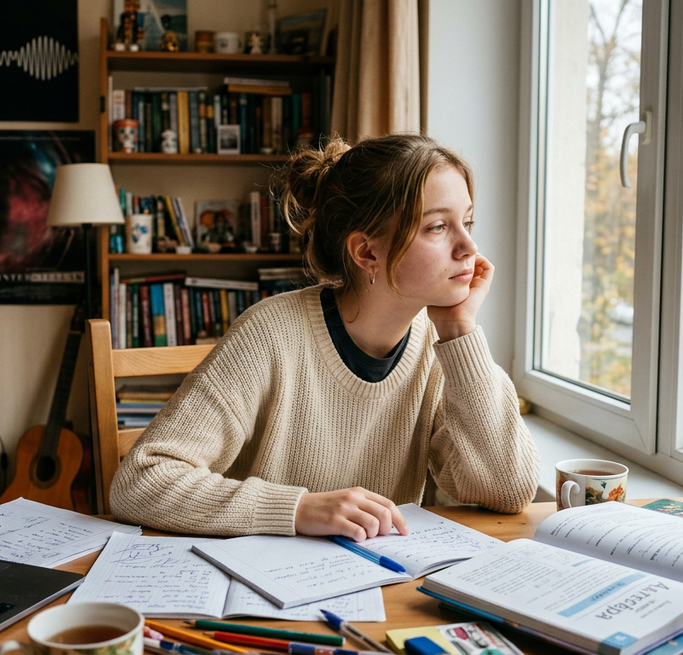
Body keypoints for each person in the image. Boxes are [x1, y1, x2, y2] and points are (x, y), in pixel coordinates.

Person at [109, 134, 540, 539]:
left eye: (466, 221)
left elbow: (508, 491)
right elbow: (141, 480)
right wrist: (297, 509)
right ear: (367, 252)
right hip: (261, 589)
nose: (469, 247)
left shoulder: (442, 348)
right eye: (437, 227)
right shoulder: (270, 334)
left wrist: (459, 331)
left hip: (379, 589)